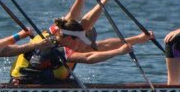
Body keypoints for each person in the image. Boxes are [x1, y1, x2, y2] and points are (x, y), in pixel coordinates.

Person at [10, 16, 151, 85]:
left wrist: (139, 38)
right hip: (24, 85)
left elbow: (105, 45)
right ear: (71, 38)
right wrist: (119, 52)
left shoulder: (66, 39)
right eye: (80, 42)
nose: (82, 46)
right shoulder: (58, 47)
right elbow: (89, 58)